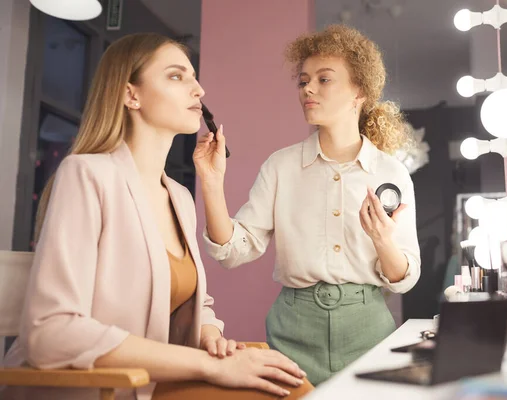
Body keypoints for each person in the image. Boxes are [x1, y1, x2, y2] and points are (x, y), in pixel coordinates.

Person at [2, 33, 308, 400]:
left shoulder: (179, 197)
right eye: (177, 76)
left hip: (153, 382)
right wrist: (211, 367)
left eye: (194, 77)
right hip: (101, 388)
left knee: (293, 385)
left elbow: (190, 299)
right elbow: (50, 333)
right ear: (131, 95)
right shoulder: (86, 174)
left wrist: (211, 337)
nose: (199, 90)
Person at [195, 24, 422, 386]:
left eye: (324, 79)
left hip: (369, 332)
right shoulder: (280, 166)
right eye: (303, 81)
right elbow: (233, 251)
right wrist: (210, 181)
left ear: (359, 91)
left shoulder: (390, 171)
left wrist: (382, 240)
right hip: (291, 333)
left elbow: (403, 279)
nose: (308, 89)